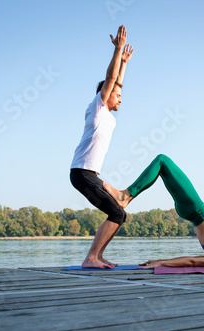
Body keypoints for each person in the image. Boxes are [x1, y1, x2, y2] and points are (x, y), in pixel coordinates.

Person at [103, 154, 204, 268]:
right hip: (191, 211)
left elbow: (193, 262)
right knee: (162, 165)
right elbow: (194, 260)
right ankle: (126, 196)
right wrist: (161, 261)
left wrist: (162, 263)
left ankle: (125, 196)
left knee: (162, 160)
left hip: (195, 208)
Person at [70, 25, 134, 269]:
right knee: (117, 213)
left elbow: (117, 82)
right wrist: (117, 51)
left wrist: (124, 63)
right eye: (116, 95)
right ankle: (90, 258)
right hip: (82, 174)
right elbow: (110, 80)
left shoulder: (108, 115)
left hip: (89, 175)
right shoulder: (97, 107)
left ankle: (97, 256)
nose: (120, 98)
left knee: (119, 214)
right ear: (104, 96)